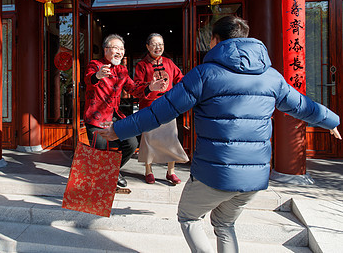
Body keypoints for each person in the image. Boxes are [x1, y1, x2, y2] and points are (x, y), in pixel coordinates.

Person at [98, 16, 341, 252]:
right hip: (254, 178)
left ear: (215, 40)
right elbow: (303, 106)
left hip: (214, 173)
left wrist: (117, 130)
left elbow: (159, 112)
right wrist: (331, 120)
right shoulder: (272, 77)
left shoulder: (204, 74)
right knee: (225, 223)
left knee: (189, 217)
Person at [84, 34, 166, 188]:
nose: (119, 52)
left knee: (131, 142)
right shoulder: (95, 65)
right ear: (106, 50)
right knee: (100, 152)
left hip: (115, 116)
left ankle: (111, 172)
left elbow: (133, 89)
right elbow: (89, 79)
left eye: (121, 49)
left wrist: (150, 87)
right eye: (115, 48)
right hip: (96, 118)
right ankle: (104, 182)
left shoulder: (122, 70)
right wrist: (98, 75)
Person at [134, 33, 189, 184]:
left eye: (161, 44)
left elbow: (180, 79)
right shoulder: (141, 65)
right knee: (148, 139)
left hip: (168, 106)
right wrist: (149, 87)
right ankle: (148, 170)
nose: (158, 47)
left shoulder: (169, 63)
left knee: (171, 138)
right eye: (154, 44)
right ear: (147, 46)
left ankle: (170, 171)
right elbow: (137, 86)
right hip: (149, 106)